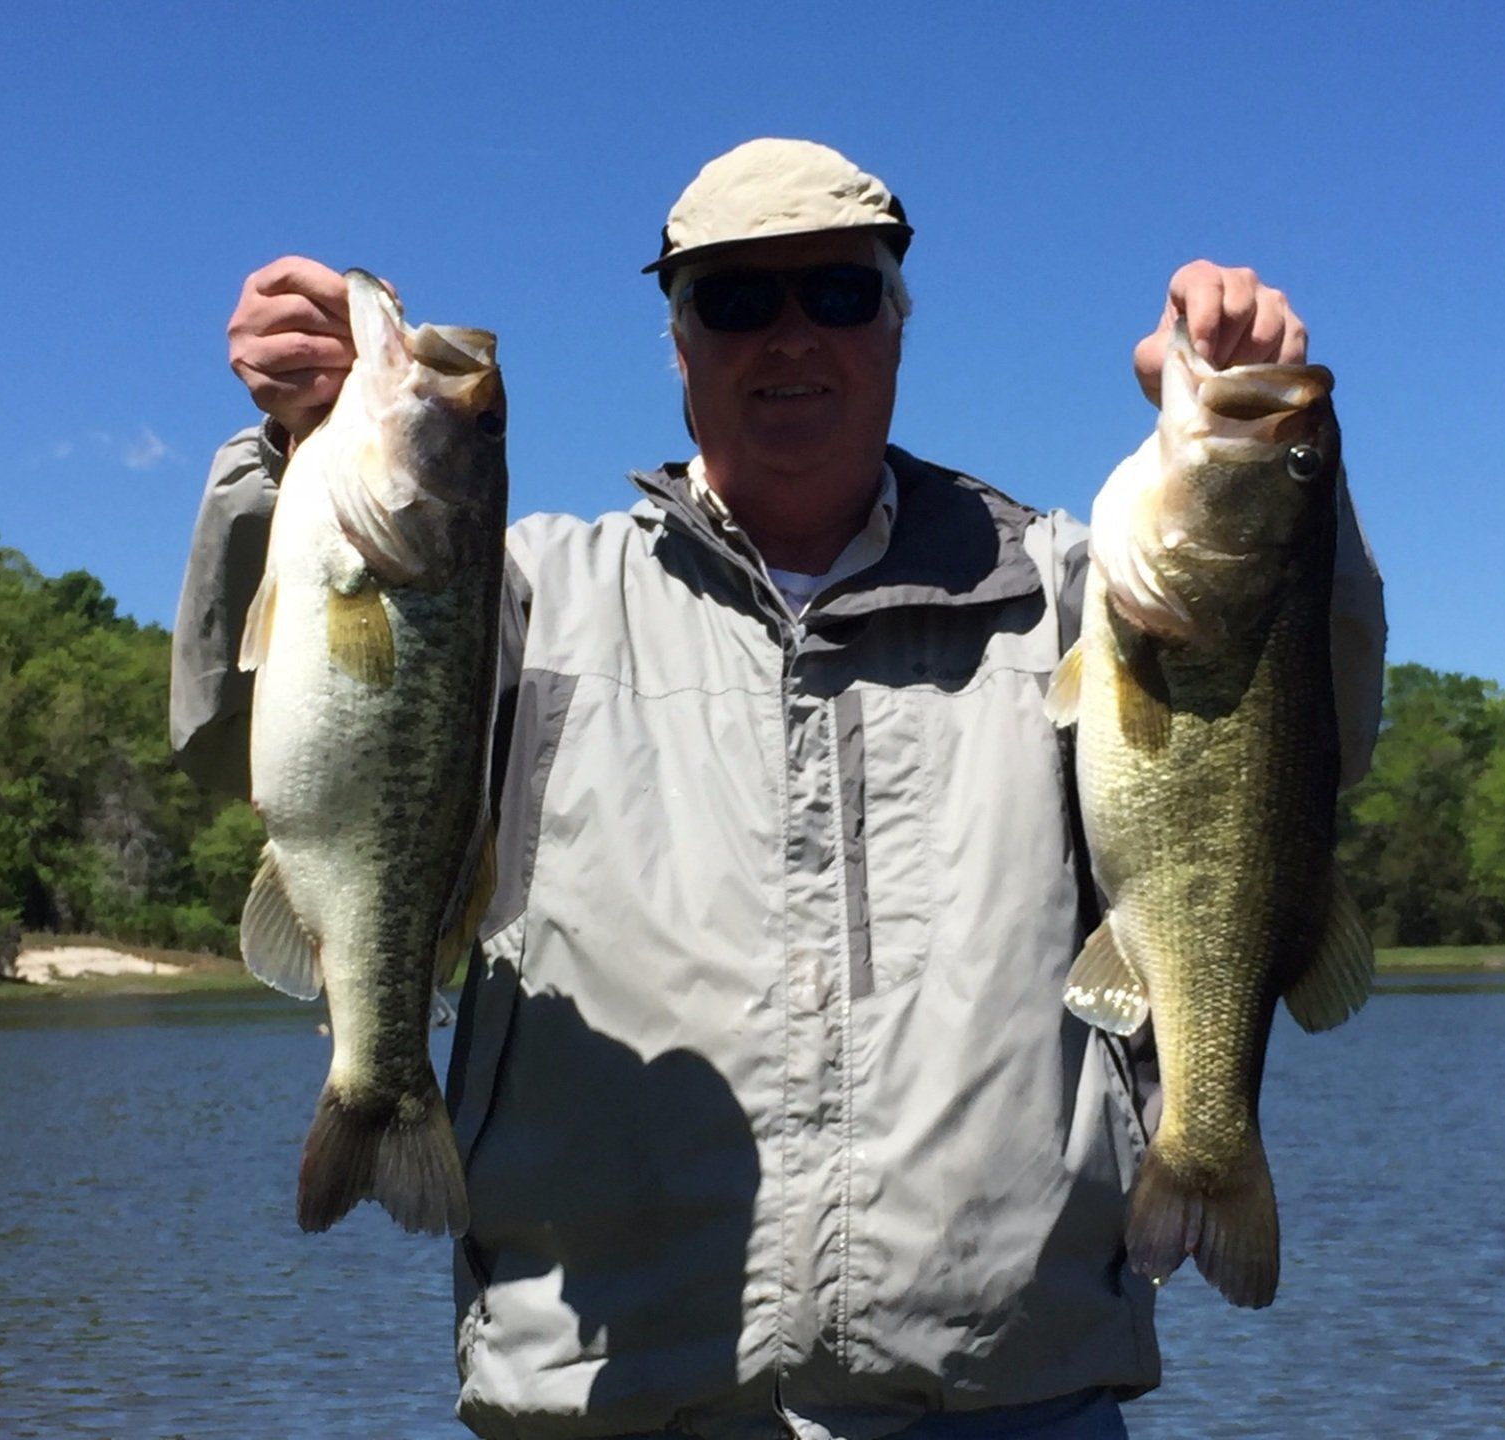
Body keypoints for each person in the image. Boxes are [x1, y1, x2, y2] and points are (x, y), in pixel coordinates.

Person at [172, 138, 1386, 1440]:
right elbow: (242, 730)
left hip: (1009, 1395)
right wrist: (290, 448)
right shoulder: (519, 590)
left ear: (899, 325)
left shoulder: (1070, 593)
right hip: (604, 1394)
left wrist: (1260, 438)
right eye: (738, 300)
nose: (790, 335)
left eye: (840, 294)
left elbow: (1299, 745)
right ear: (678, 345)